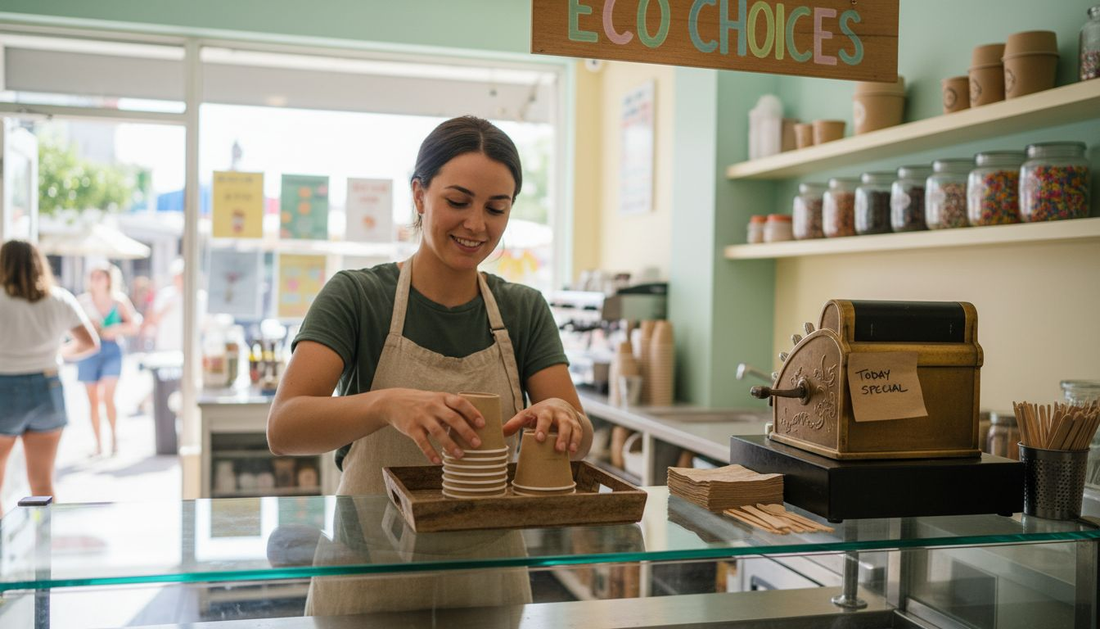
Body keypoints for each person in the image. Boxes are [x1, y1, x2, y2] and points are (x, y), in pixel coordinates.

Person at [267, 116, 593, 616]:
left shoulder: (523, 309)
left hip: (488, 582)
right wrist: (385, 403)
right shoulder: (357, 296)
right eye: (458, 202)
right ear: (419, 195)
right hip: (368, 578)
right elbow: (285, 427)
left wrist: (560, 419)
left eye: (496, 208)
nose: (477, 225)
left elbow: (580, 438)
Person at [0, 240, 99, 516]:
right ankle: (45, 552)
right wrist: (60, 352)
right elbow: (90, 342)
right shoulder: (58, 299)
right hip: (47, 387)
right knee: (42, 484)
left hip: (3, 389)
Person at [77, 263, 142, 456]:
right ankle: (98, 444)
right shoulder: (83, 302)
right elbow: (72, 329)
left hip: (112, 349)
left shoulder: (119, 301)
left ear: (109, 279)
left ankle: (113, 438)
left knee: (108, 398)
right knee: (93, 401)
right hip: (88, 351)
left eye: (100, 276)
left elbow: (134, 325)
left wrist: (115, 330)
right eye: (93, 276)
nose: (96, 280)